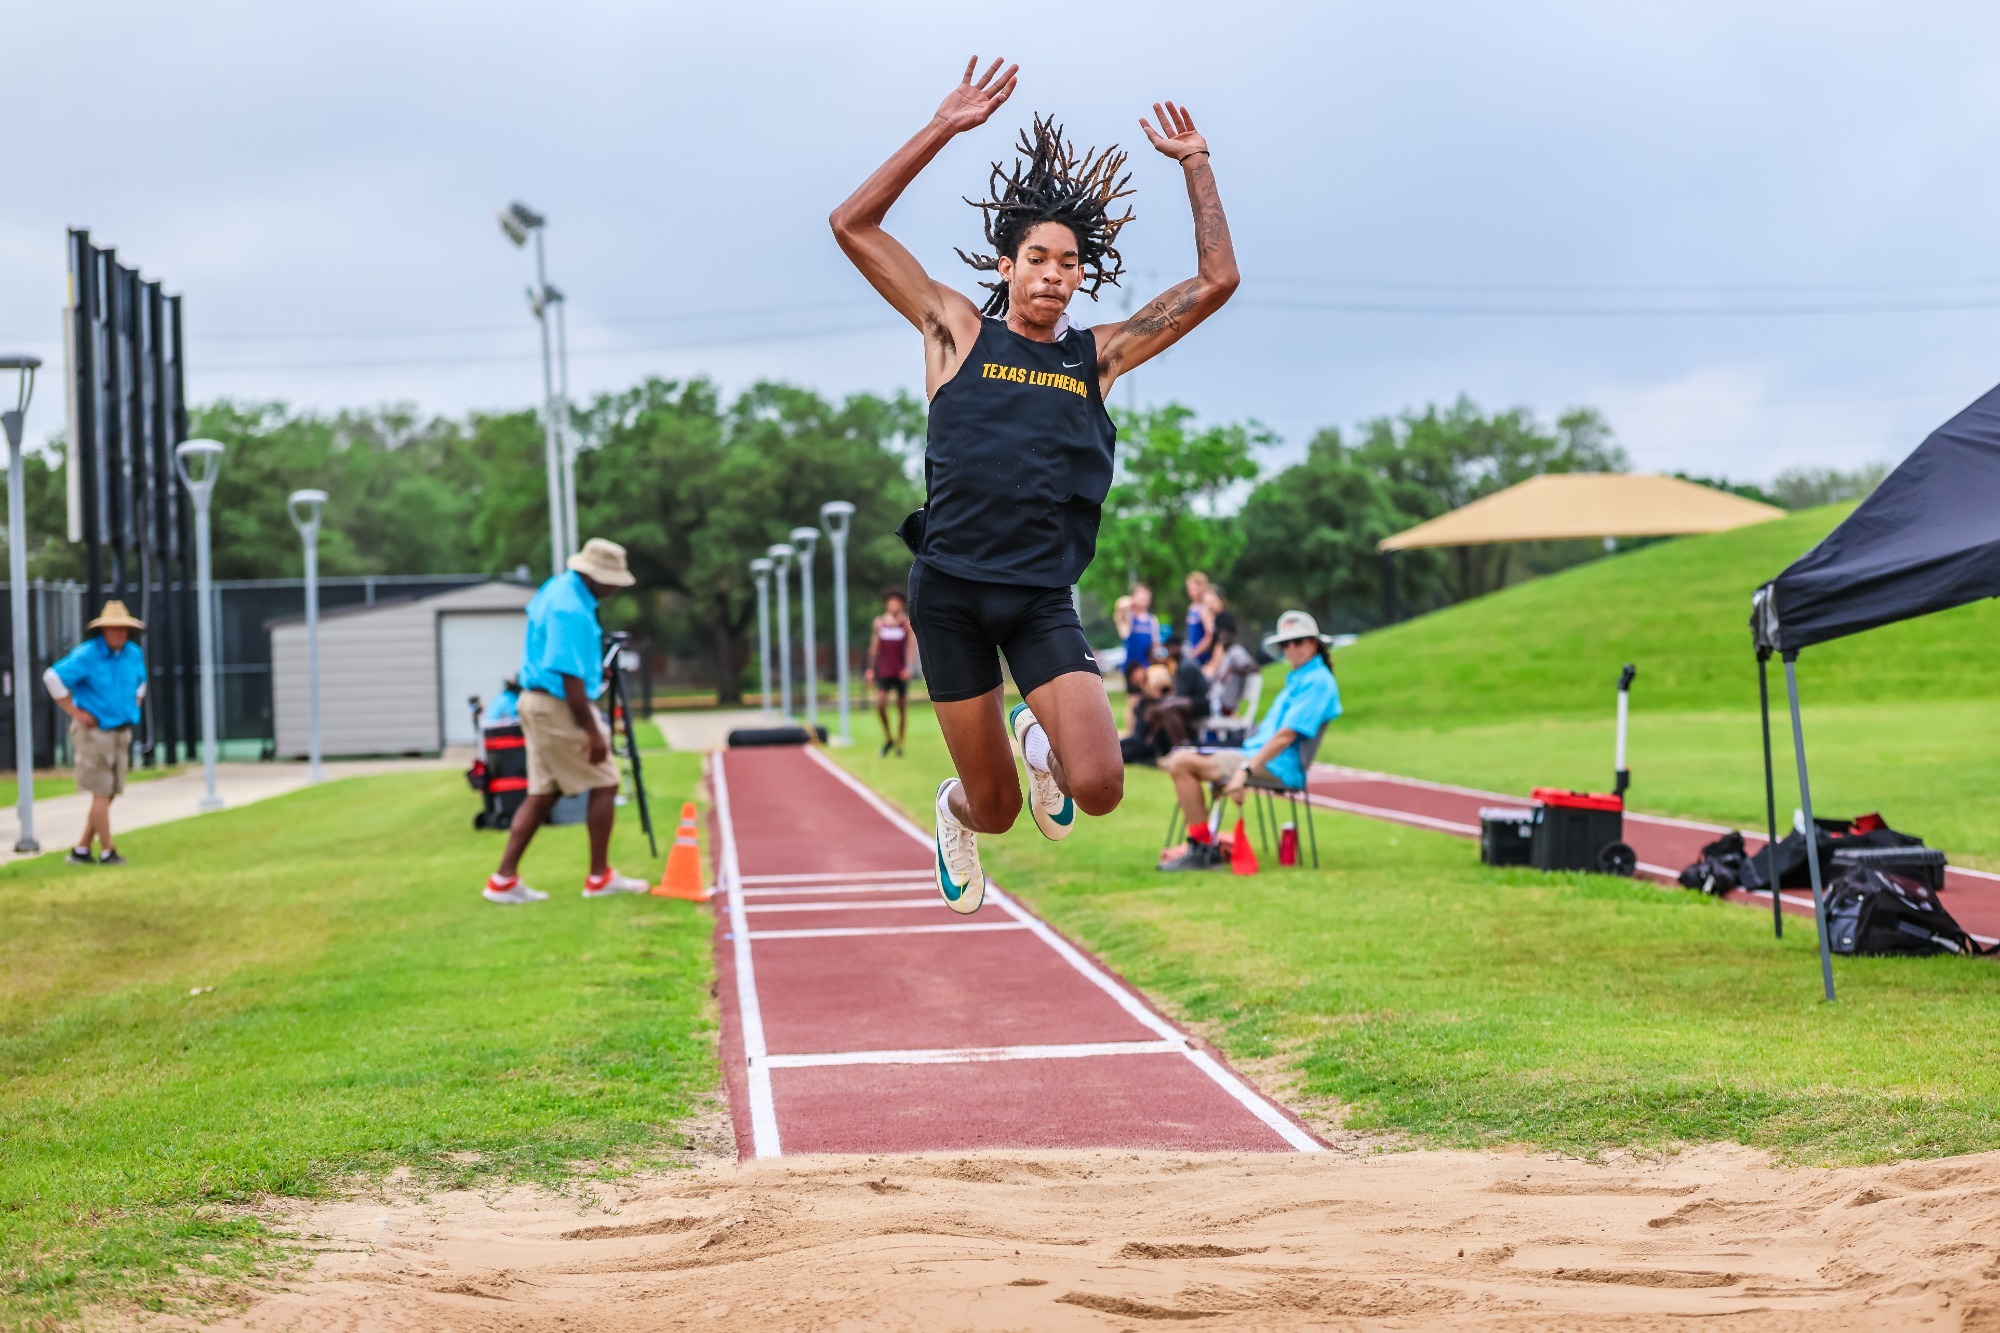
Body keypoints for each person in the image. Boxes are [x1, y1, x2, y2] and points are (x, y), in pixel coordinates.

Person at [832, 57, 1239, 914]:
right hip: (950, 595)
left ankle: (1042, 735)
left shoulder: (1097, 357)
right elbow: (851, 224)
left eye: (1069, 262)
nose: (1054, 273)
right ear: (1008, 266)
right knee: (998, 809)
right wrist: (942, 126)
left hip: (1038, 597)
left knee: (1100, 785)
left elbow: (1215, 284)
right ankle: (955, 809)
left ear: (1082, 275)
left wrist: (1197, 163)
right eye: (1038, 259)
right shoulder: (954, 331)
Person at [483, 539, 651, 905]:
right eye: (613, 580)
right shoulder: (570, 608)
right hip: (557, 704)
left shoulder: (558, 588)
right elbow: (568, 676)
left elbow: (564, 658)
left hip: (537, 700)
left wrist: (596, 671)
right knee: (606, 781)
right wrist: (593, 732)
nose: (617, 587)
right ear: (595, 575)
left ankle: (503, 881)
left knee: (543, 794)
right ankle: (599, 877)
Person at [1158, 610, 1342, 871]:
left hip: (1277, 766)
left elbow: (1286, 736)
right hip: (1254, 754)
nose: (1291, 649)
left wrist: (1244, 771)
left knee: (1181, 763)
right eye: (1285, 644)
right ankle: (1202, 844)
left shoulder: (1317, 681)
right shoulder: (1300, 677)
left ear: (1314, 643)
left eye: (1298, 641)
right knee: (1182, 758)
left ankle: (1202, 849)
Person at [44, 600, 147, 866]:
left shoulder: (133, 653)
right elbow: (52, 677)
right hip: (95, 732)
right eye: (112, 628)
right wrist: (74, 711)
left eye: (122, 629)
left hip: (121, 729)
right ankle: (107, 851)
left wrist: (134, 702)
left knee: (110, 791)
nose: (118, 633)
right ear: (103, 630)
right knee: (101, 791)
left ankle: (81, 850)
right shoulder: (87, 654)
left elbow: (141, 681)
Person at [866, 588, 915, 756]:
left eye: (896, 603)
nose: (893, 605)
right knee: (880, 703)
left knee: (901, 708)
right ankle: (888, 738)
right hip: (885, 671)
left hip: (900, 671)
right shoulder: (880, 623)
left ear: (901, 605)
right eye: (890, 603)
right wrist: (870, 669)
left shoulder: (906, 623)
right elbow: (874, 647)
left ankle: (900, 744)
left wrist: (909, 667)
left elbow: (910, 647)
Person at [1182, 571, 1213, 664]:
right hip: (1192, 654)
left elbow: (1209, 637)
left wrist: (1194, 653)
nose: (1190, 591)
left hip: (1202, 658)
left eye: (1193, 588)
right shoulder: (1191, 608)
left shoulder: (1205, 609)